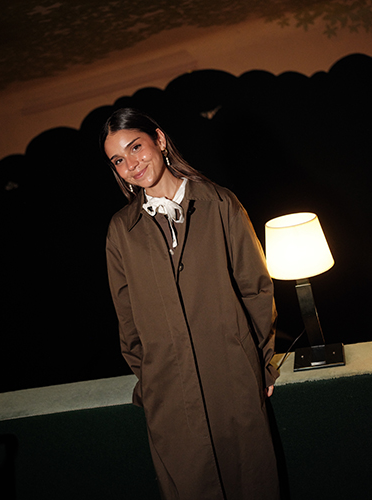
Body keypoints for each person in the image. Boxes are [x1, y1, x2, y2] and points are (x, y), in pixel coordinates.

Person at [101, 107, 280, 500]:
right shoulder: (121, 231)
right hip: (169, 398)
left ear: (160, 140)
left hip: (233, 383)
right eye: (118, 160)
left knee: (252, 485)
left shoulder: (220, 204)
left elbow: (255, 288)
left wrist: (260, 365)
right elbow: (127, 321)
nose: (131, 164)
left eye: (136, 147)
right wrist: (152, 382)